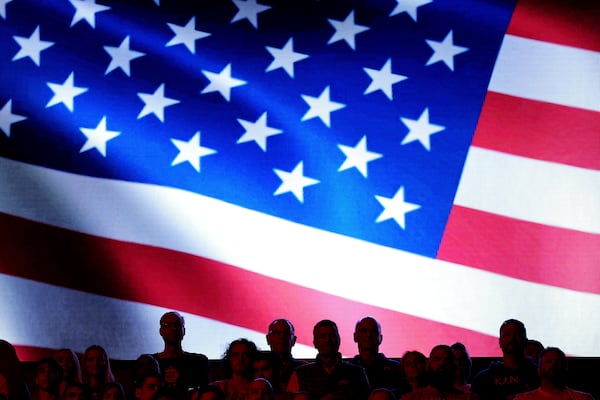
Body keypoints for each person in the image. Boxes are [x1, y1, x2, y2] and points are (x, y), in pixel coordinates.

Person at [286, 319, 371, 400]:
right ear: (315, 343)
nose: (327, 340)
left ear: (339, 340)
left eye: (332, 336)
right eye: (323, 336)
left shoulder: (357, 372)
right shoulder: (299, 373)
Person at [471, 319, 539, 400]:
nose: (512, 338)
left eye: (517, 334)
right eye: (507, 334)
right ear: (500, 341)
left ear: (525, 340)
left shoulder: (540, 375)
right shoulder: (483, 379)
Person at [154, 312, 209, 398]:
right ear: (161, 331)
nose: (174, 328)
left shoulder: (198, 361)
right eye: (168, 325)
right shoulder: (151, 363)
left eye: (177, 325)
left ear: (184, 330)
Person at [349, 317, 407, 394]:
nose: (368, 335)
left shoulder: (396, 369)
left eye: (374, 331)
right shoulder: (346, 370)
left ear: (381, 338)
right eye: (364, 331)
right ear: (355, 337)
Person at [514, 347, 595, 400]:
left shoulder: (583, 398)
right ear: (538, 370)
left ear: (565, 369)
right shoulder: (522, 399)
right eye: (549, 361)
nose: (553, 364)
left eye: (558, 362)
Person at [400, 345, 475, 400]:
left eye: (448, 360)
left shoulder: (470, 397)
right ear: (428, 365)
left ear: (454, 366)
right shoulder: (409, 398)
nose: (442, 363)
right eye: (437, 359)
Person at [266, 319, 306, 392]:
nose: (282, 337)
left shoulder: (304, 369)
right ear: (268, 339)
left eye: (287, 333)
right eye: (277, 333)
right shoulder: (258, 368)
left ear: (294, 340)